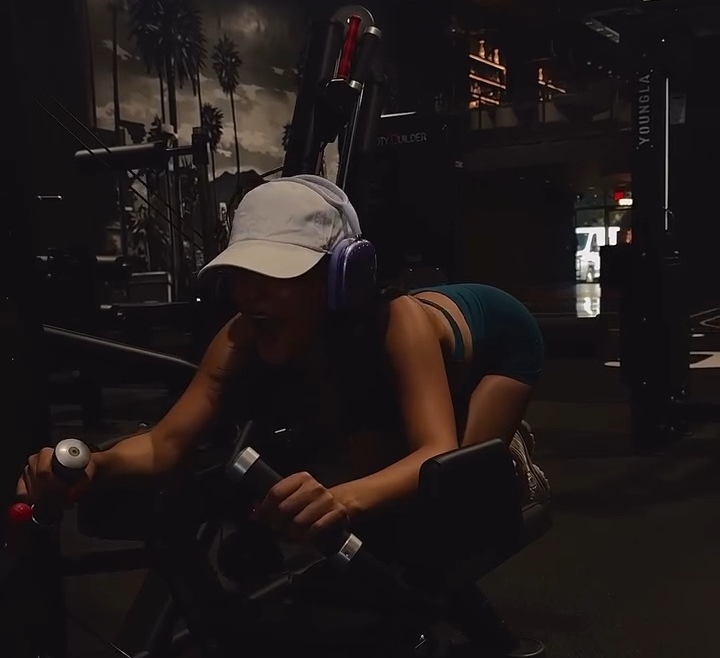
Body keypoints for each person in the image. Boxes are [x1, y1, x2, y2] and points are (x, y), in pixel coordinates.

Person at [17, 176, 548, 557]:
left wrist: (341, 499)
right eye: (242, 273)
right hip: (371, 357)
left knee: (453, 496)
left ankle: (511, 451)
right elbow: (164, 444)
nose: (249, 292)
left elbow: (435, 451)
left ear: (341, 278)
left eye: (275, 274)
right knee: (371, 465)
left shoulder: (399, 322)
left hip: (501, 337)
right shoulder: (242, 332)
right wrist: (96, 464)